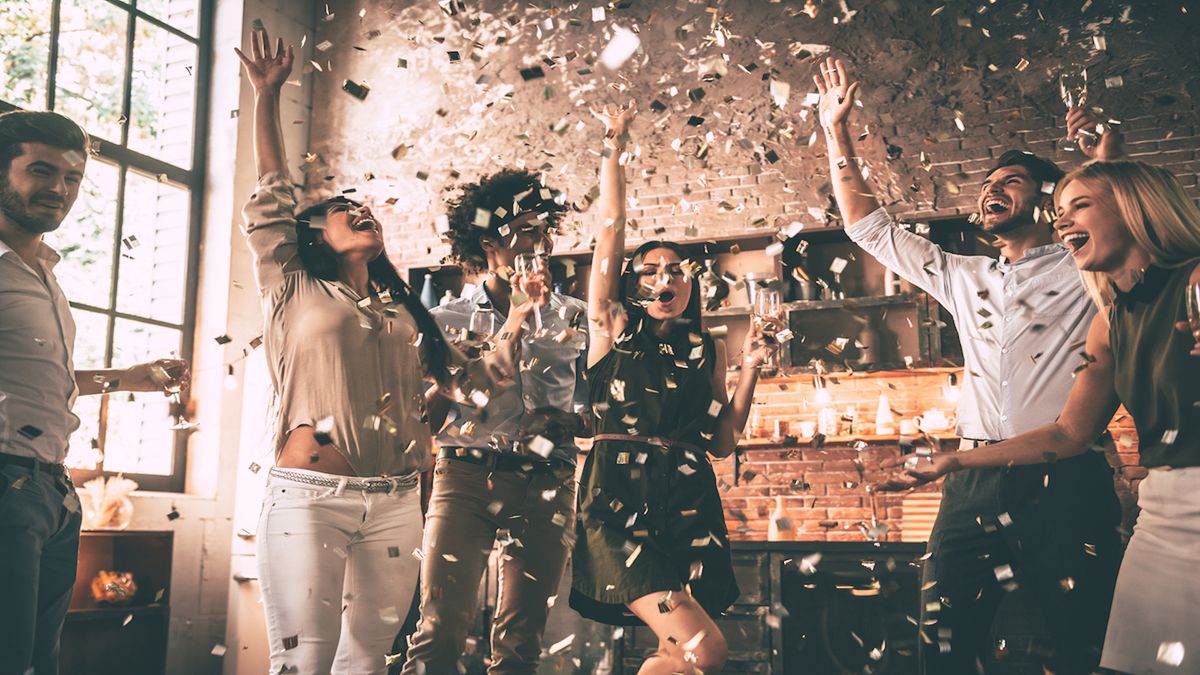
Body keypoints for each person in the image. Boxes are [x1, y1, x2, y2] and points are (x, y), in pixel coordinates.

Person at [814, 57, 1125, 673]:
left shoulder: (1085, 267)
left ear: (1049, 202)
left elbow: (1125, 223)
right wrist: (835, 131)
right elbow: (866, 227)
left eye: (1010, 181)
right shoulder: (963, 275)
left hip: (1065, 478)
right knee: (944, 640)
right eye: (988, 182)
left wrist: (1105, 166)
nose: (991, 190)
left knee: (1082, 639)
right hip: (970, 483)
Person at [235, 28, 511, 674]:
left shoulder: (400, 312)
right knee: (304, 662)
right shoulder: (292, 286)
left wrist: (519, 318)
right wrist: (267, 96)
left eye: (364, 208)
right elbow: (270, 194)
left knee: (368, 659)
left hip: (395, 500)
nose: (361, 211)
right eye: (342, 210)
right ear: (312, 236)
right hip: (310, 496)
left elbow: (459, 386)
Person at [885, 159, 1200, 674]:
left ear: (1134, 209)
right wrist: (956, 463)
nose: (1063, 221)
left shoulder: (1195, 280)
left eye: (1079, 206)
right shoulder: (1109, 322)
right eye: (1060, 211)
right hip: (1160, 517)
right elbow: (1071, 431)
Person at [567, 100, 778, 675]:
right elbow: (608, 232)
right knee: (704, 648)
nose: (665, 278)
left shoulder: (707, 348)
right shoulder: (610, 326)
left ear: (690, 284)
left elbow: (722, 441)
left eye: (676, 271)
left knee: (675, 658)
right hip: (618, 499)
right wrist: (614, 148)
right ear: (634, 285)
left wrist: (751, 366)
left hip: (689, 500)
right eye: (652, 271)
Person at [0, 109, 188, 675]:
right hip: (6, 483)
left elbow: (33, 380)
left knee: (39, 662)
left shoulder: (45, 270)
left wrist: (125, 379)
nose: (59, 189)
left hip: (53, 489)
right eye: (40, 171)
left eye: (72, 178)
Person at [400, 170, 586, 675]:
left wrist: (571, 422)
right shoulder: (445, 321)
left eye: (543, 228)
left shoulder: (575, 315)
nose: (540, 240)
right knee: (439, 630)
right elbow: (428, 416)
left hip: (547, 481)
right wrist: (517, 318)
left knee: (521, 641)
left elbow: (597, 409)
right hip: (464, 477)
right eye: (526, 229)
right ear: (489, 243)